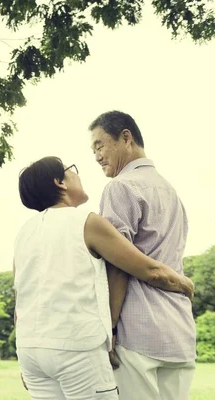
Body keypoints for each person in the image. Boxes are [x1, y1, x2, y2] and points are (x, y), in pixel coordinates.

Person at [13, 156, 194, 400]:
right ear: (60, 183)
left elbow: (20, 299)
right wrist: (184, 284)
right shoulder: (86, 222)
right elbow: (148, 270)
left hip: (30, 350)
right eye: (71, 170)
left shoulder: (24, 232)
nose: (77, 174)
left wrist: (24, 353)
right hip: (75, 348)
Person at [89, 111, 196, 399]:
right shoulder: (171, 191)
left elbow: (118, 265)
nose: (97, 156)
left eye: (99, 145)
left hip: (138, 332)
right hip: (179, 332)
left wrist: (108, 327)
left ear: (126, 137)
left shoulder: (120, 187)